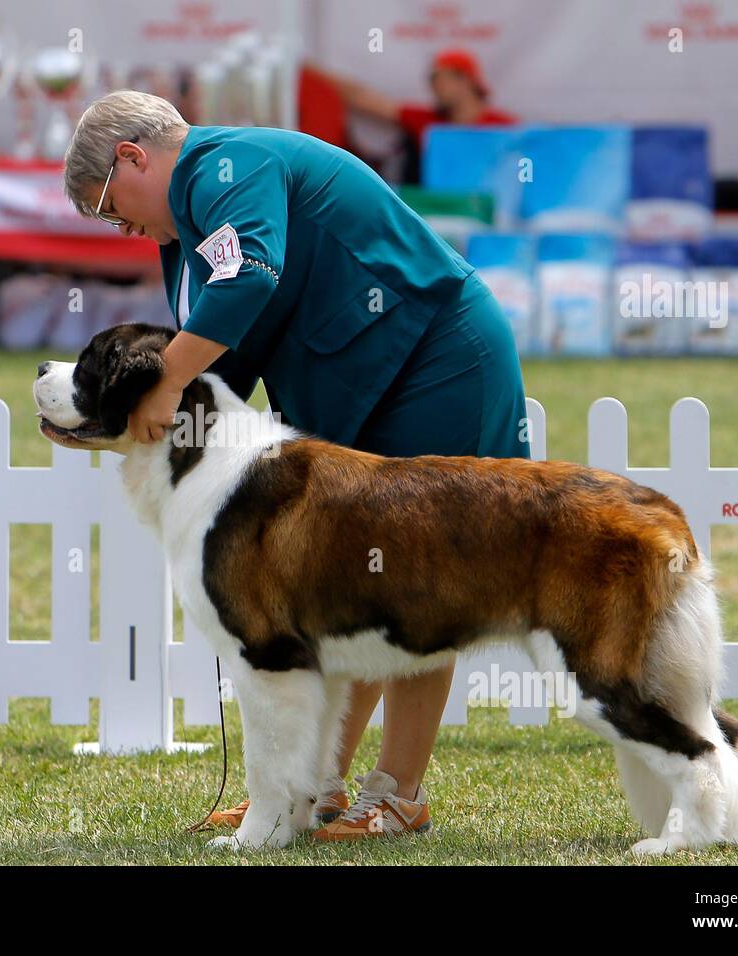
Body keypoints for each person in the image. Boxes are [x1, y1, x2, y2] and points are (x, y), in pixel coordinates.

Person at [62, 90, 529, 840]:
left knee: (421, 583)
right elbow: (226, 366)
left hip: (437, 358)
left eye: (109, 206)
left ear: (132, 156)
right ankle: (311, 788)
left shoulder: (226, 167)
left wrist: (169, 378)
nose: (116, 226)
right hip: (363, 376)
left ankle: (398, 793)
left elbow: (247, 280)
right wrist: (111, 423)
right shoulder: (185, 228)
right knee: (352, 587)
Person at [313, 48, 516, 181]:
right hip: (437, 212)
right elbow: (361, 97)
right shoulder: (425, 120)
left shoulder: (505, 126)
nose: (433, 85)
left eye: (438, 77)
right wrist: (307, 68)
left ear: (465, 79)